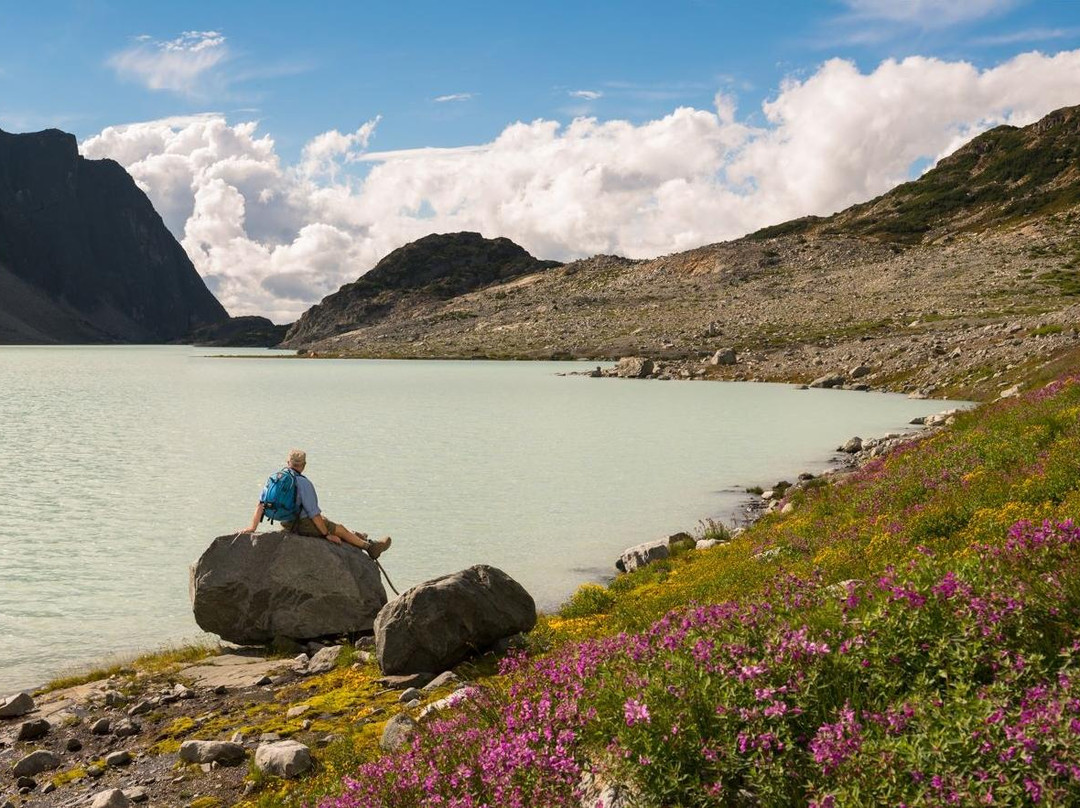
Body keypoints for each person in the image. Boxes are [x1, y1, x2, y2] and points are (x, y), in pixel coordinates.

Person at [240, 449, 391, 560]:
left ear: (288, 463)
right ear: (304, 465)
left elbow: (261, 504)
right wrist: (327, 535)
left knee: (329, 523)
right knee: (339, 529)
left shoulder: (275, 478)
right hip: (302, 524)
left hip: (286, 522)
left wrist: (252, 528)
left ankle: (358, 536)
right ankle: (371, 548)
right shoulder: (303, 483)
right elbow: (314, 514)